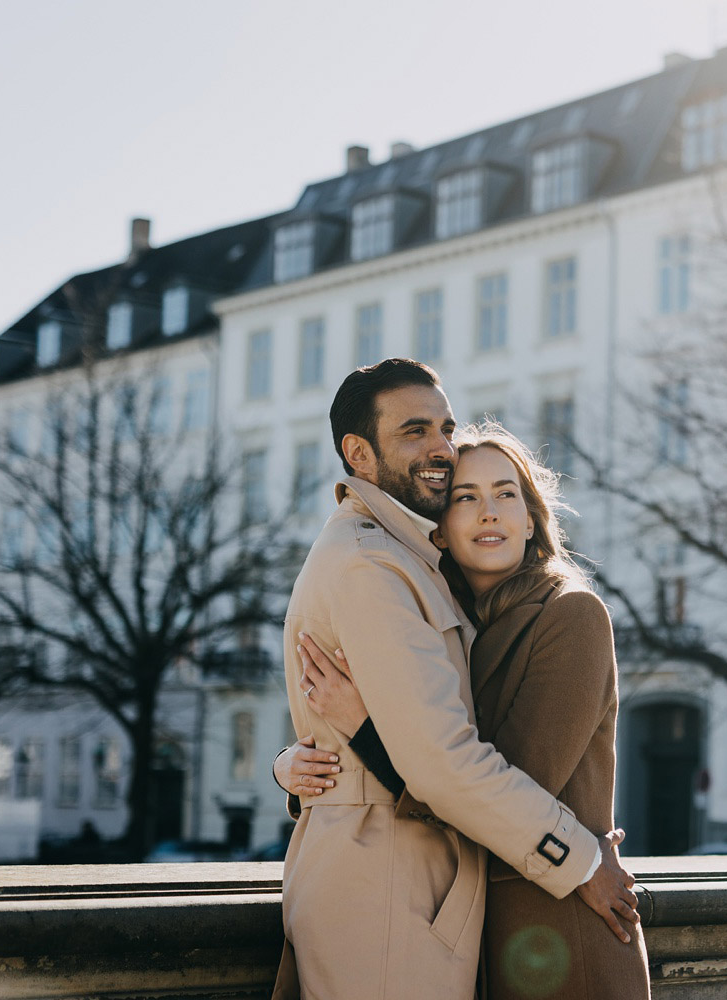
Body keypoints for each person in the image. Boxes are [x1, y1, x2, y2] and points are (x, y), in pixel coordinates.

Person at [272, 360, 638, 1000]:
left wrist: (363, 735)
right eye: (468, 496)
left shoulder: (566, 614)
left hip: (551, 925)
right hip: (445, 905)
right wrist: (304, 760)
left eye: (444, 427)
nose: (439, 448)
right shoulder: (389, 572)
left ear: (533, 518)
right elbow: (448, 766)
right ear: (359, 454)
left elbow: (490, 776)